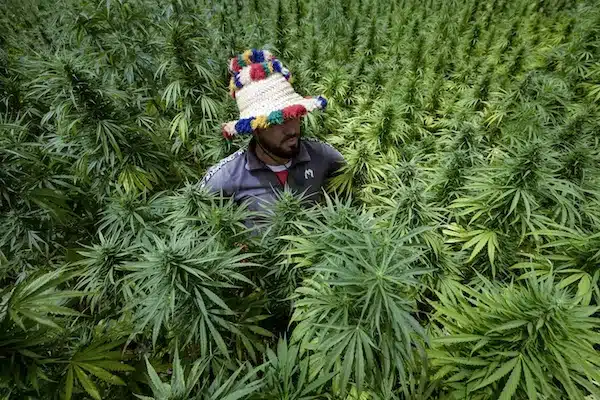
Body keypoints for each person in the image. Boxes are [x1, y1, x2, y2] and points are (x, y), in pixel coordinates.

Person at [199, 49, 345, 213]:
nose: (291, 130)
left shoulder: (322, 155)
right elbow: (197, 226)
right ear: (256, 129)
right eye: (277, 122)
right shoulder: (227, 177)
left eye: (293, 117)